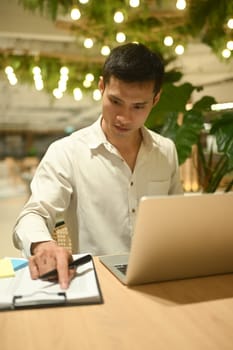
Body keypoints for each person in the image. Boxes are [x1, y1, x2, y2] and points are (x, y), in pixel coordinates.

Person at [13, 42, 183, 288]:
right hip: (98, 284)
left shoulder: (166, 151)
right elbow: (33, 213)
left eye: (138, 106)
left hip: (158, 278)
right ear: (101, 86)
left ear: (155, 99)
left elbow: (177, 217)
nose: (124, 117)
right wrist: (44, 244)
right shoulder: (67, 152)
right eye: (115, 101)